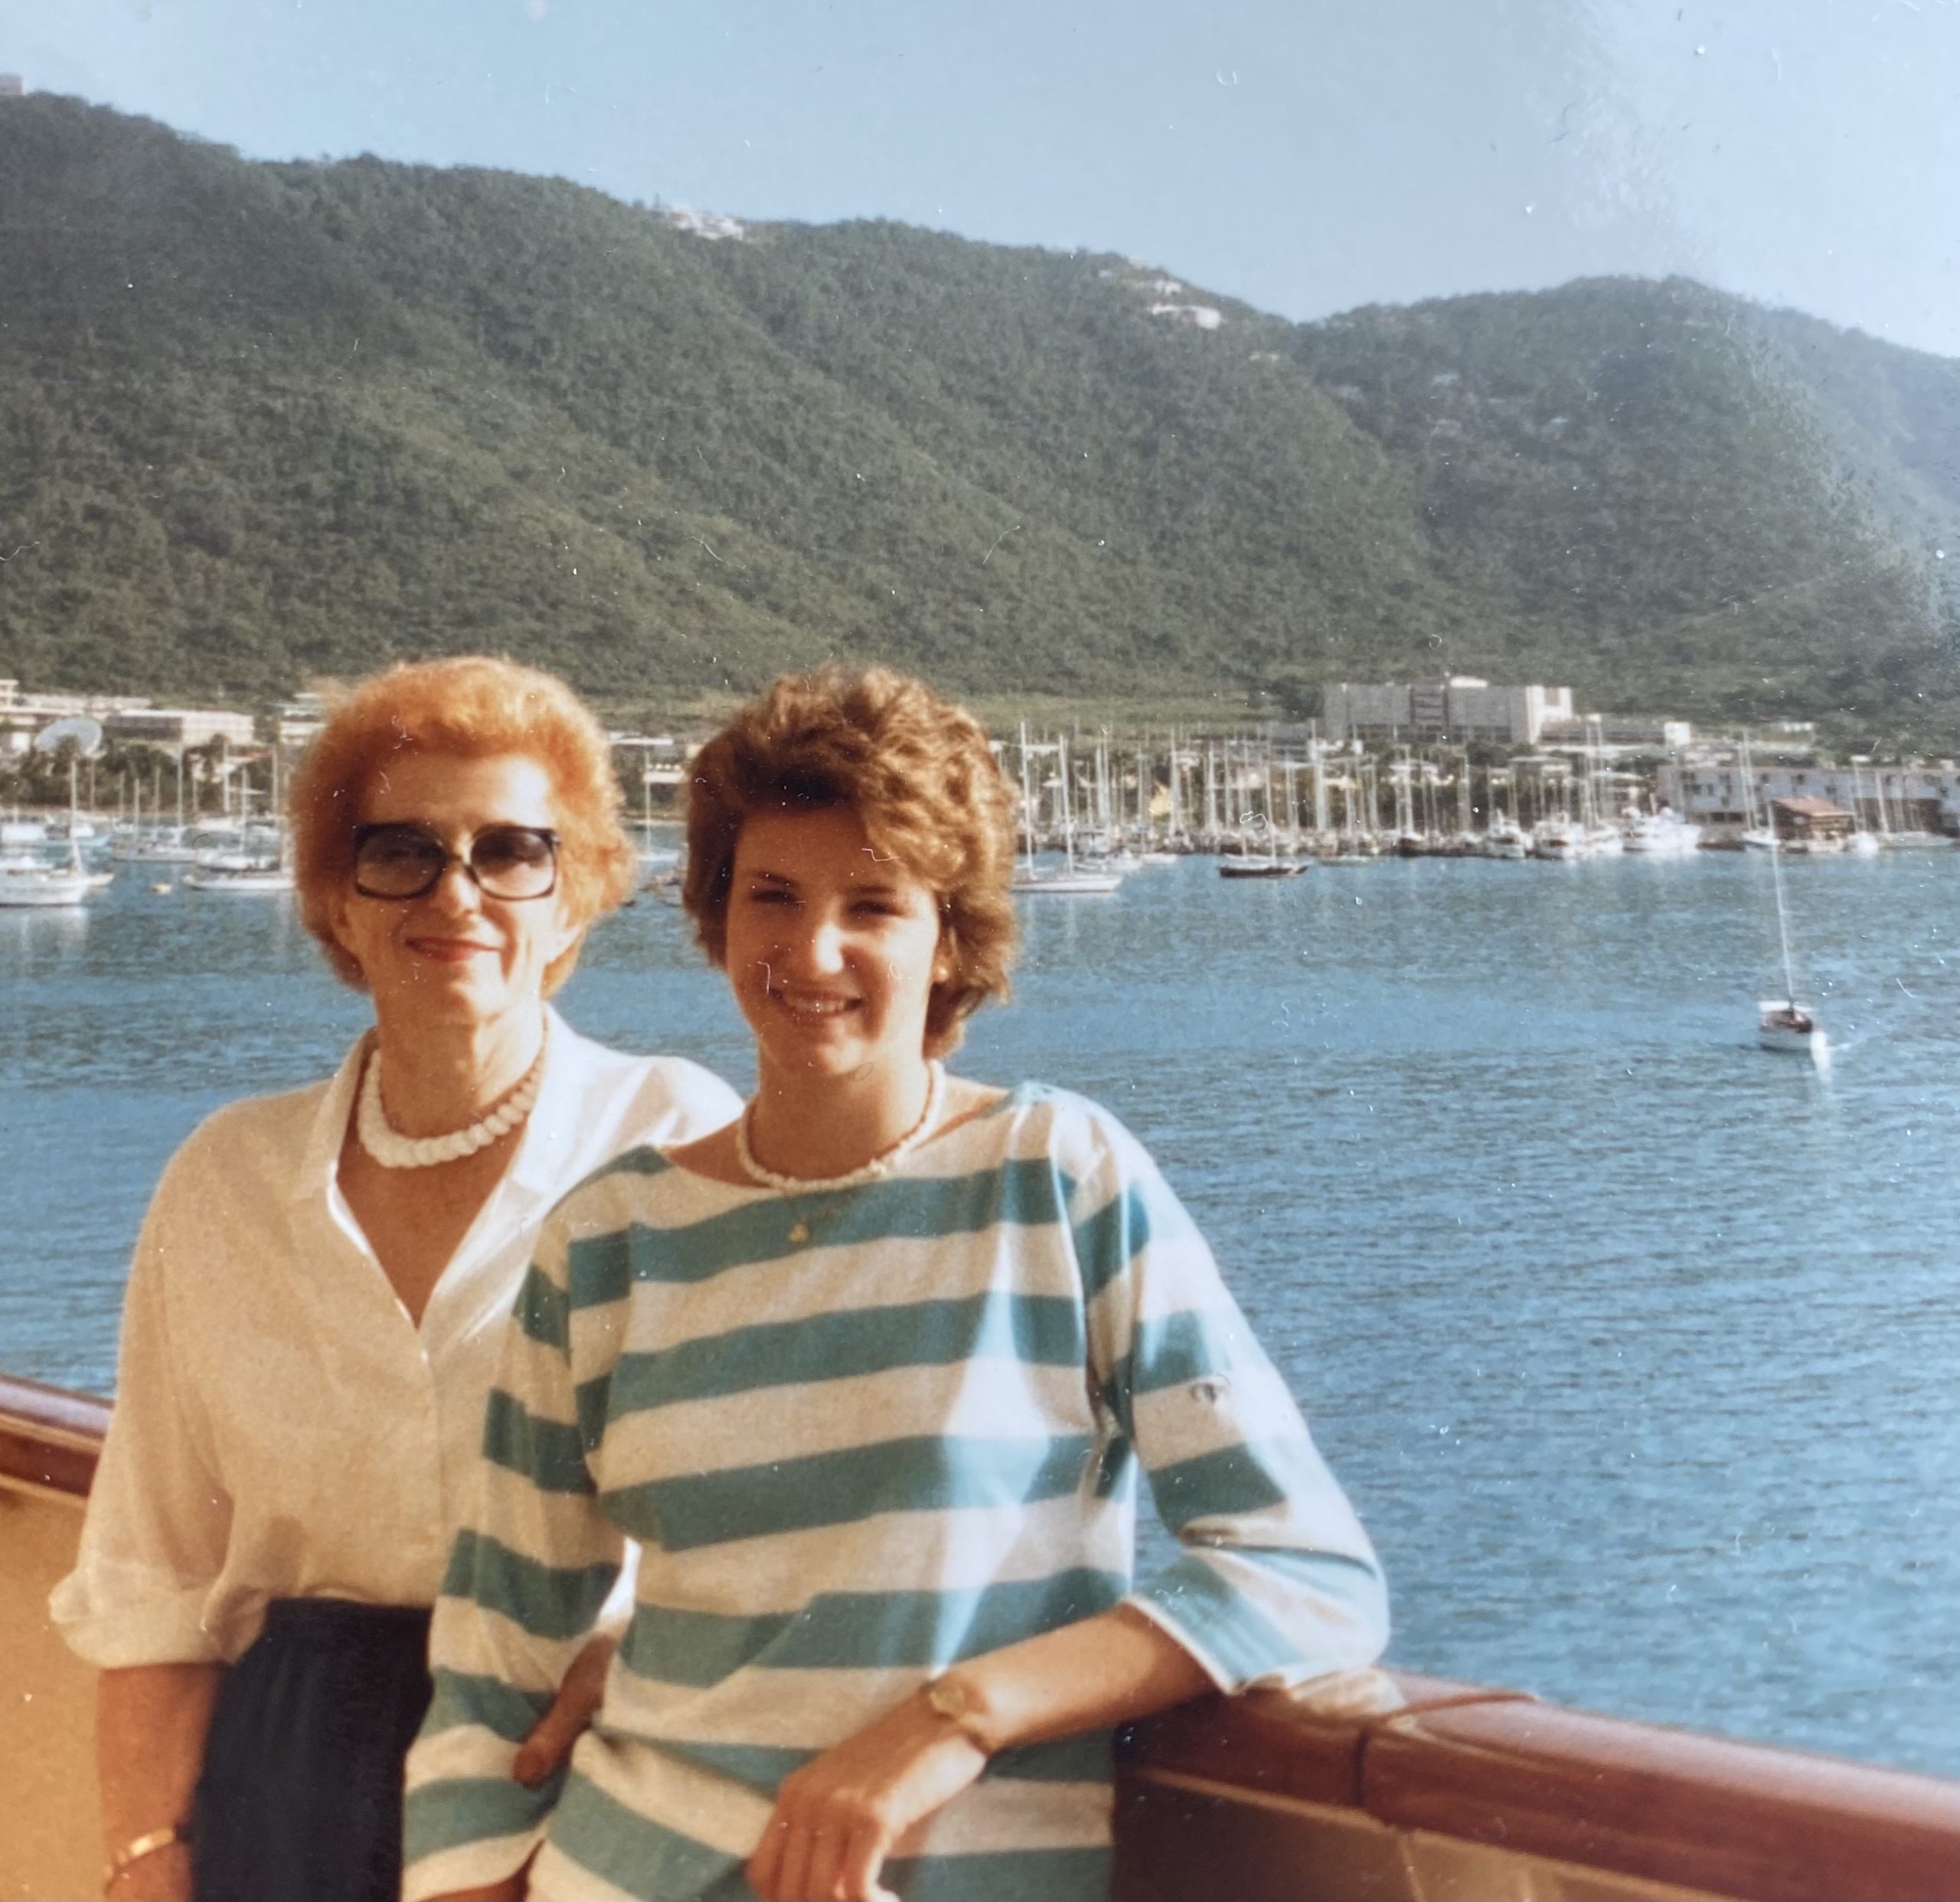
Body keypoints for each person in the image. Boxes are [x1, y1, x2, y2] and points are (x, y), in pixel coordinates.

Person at [403, 668, 1387, 1902]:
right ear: (717, 915)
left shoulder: (1056, 1182)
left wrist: (951, 1720)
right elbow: (494, 1656)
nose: (813, 948)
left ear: (950, 940)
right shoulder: (608, 1239)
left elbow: (1303, 1568)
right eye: (772, 895)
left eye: (874, 904)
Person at [51, 657, 740, 1902]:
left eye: (512, 851)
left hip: (584, 1779)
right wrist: (147, 1861)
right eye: (402, 851)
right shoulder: (226, 1181)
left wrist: (645, 1658)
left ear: (573, 898)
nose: (458, 892)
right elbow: (155, 1571)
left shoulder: (675, 1137)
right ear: (337, 900)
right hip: (293, 1788)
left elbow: (778, 1518)